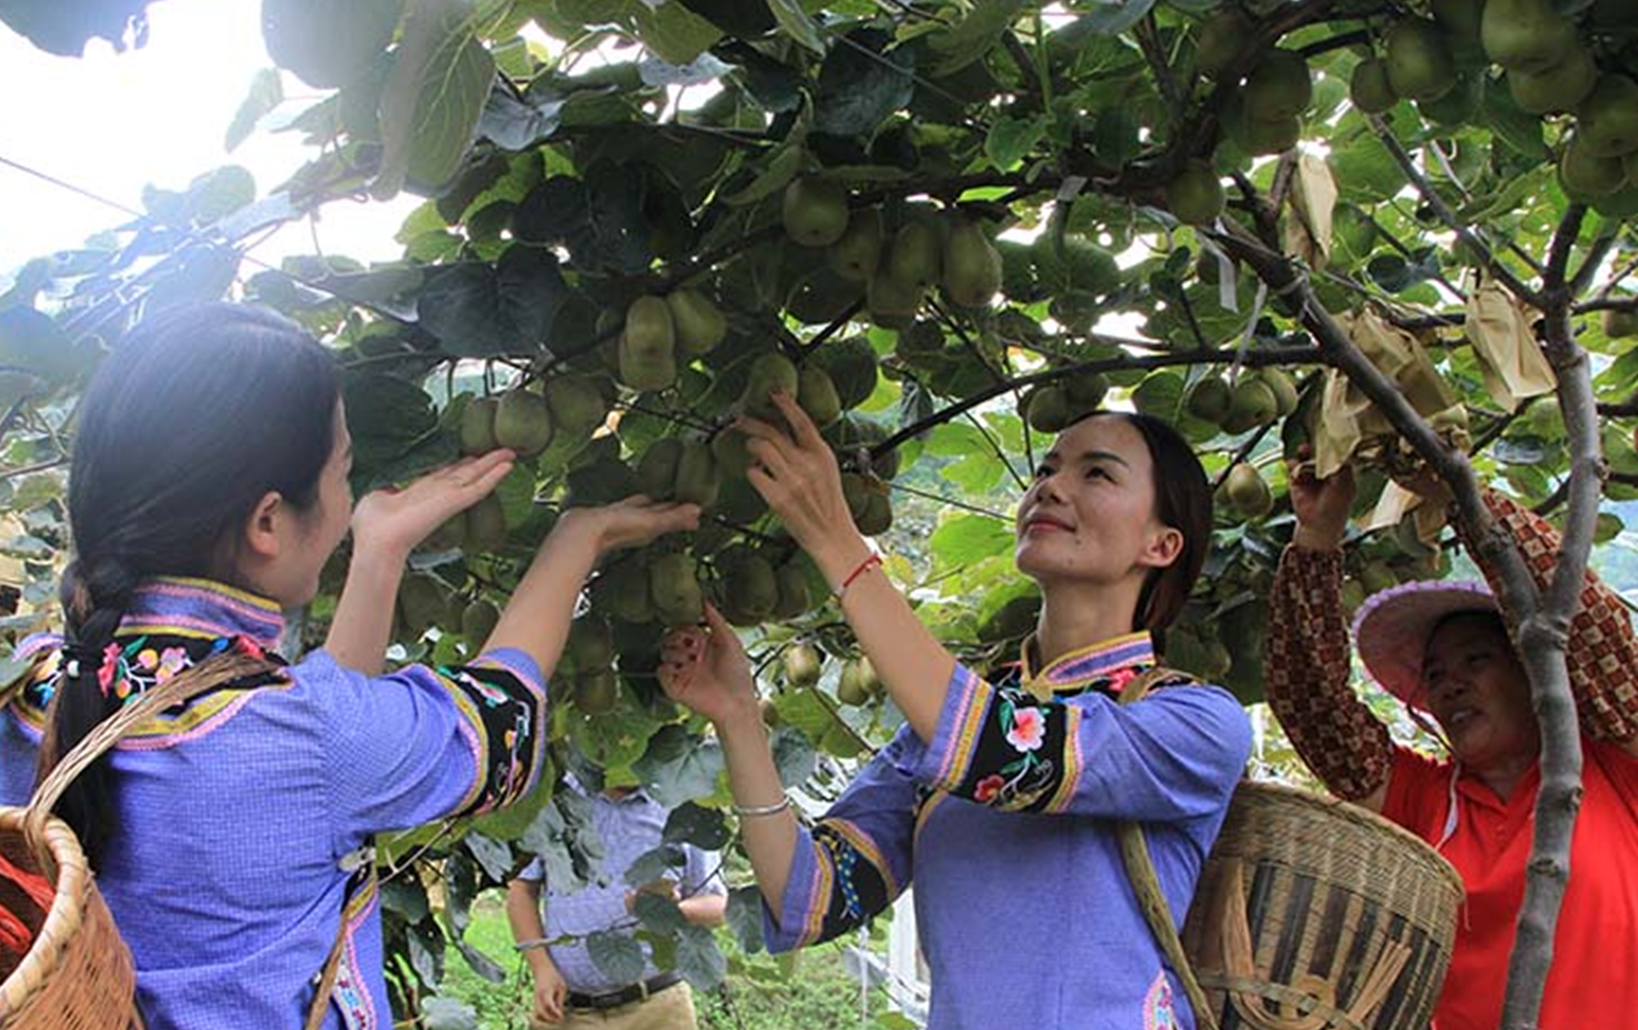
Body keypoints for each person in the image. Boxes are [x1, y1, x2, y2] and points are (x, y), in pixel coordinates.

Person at [0, 303, 698, 1029]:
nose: (347, 495)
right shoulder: (306, 734)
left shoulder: (38, 686)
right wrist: (577, 538)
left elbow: (311, 750)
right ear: (268, 521)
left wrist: (380, 551)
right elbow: (503, 721)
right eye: (343, 470)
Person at [659, 395, 1252, 1030]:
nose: (1050, 486)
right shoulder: (944, 725)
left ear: (1162, 544)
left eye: (1097, 473)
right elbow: (812, 897)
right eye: (1046, 470)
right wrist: (739, 717)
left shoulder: (1195, 721)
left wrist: (836, 538)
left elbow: (1004, 754)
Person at [1267, 463, 1638, 1030]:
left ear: (1532, 666)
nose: (1451, 684)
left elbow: (1593, 628)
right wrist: (1316, 539)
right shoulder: (1427, 803)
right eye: (1436, 675)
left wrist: (1460, 496)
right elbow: (1312, 704)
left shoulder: (1613, 764)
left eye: (1476, 659)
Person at [505, 768, 727, 1028]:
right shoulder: (557, 799)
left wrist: (667, 910)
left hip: (657, 1010)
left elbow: (718, 906)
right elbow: (522, 890)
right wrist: (541, 968)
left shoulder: (681, 806)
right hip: (568, 1010)